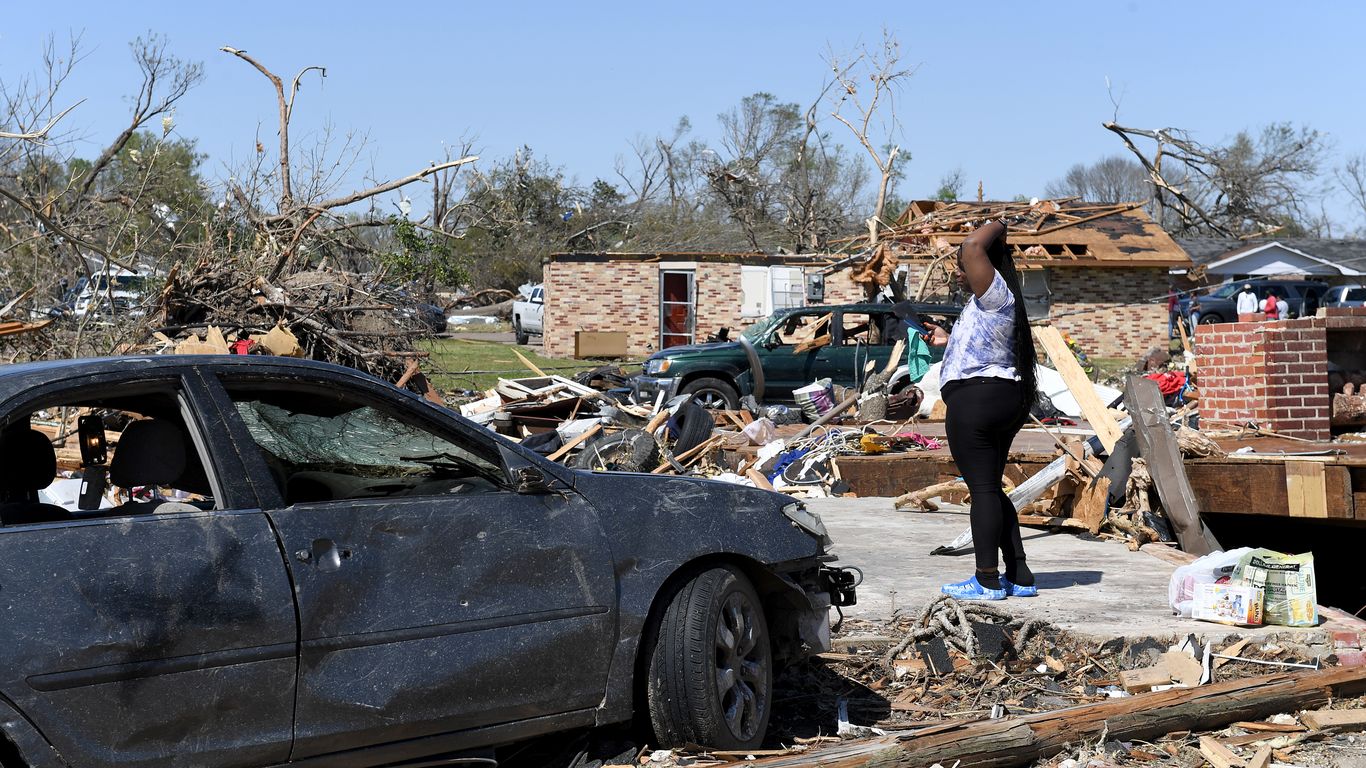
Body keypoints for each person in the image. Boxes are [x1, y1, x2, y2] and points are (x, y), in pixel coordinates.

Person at [936, 219, 1039, 601]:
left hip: (976, 401)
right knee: (991, 489)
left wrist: (999, 224)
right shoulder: (991, 302)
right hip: (1001, 396)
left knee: (981, 490)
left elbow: (973, 246)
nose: (961, 272)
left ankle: (986, 579)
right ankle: (1020, 575)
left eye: (964, 267)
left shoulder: (997, 294)